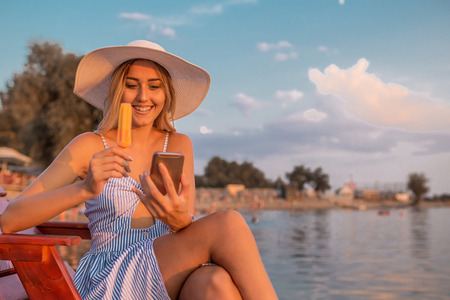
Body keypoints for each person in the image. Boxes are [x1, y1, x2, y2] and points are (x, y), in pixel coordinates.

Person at [0, 40, 277, 300]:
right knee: (228, 224)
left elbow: (182, 230)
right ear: (117, 90)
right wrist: (83, 189)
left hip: (166, 270)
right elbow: (10, 219)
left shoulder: (179, 144)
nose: (143, 97)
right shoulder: (91, 145)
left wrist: (182, 221)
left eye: (154, 86)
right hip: (110, 277)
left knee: (214, 282)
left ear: (166, 92)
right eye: (132, 85)